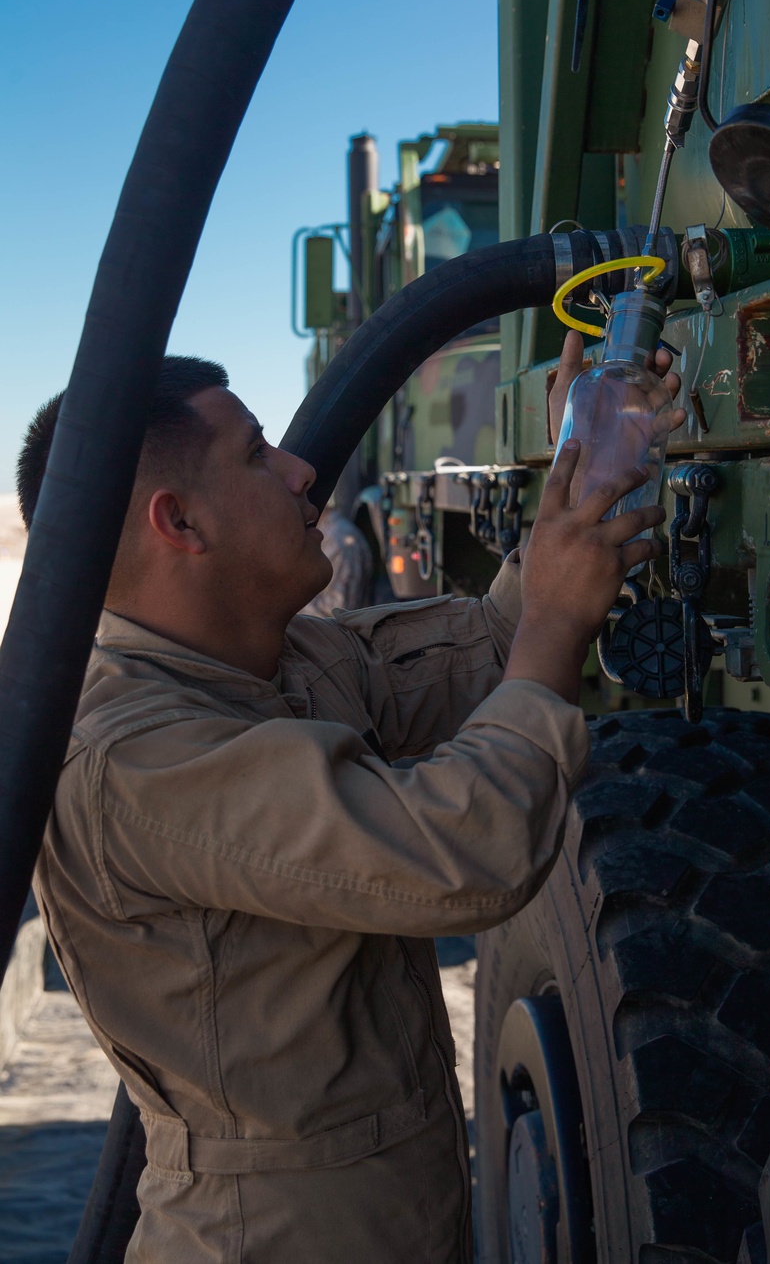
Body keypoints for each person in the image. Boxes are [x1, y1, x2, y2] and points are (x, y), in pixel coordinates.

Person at [19, 334, 681, 1264]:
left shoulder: (267, 661)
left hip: (381, 1204)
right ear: (180, 523)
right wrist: (561, 620)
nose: (299, 470)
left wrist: (582, 449)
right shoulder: (135, 754)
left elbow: (495, 647)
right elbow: (468, 850)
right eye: (255, 452)